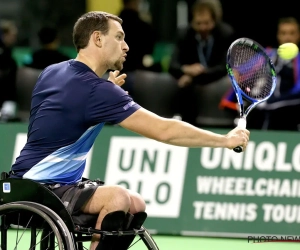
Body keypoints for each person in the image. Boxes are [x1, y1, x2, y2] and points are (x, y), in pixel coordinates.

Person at [9, 11, 249, 250]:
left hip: (21, 183)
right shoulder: (97, 92)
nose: (126, 46)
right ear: (98, 39)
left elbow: (64, 109)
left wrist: (105, 91)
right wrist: (224, 140)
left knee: (136, 204)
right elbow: (164, 129)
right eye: (119, 37)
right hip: (43, 188)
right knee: (118, 198)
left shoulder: (53, 71)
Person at [220, 17, 300, 131]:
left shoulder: (299, 59)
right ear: (278, 35)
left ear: (298, 36)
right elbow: (241, 71)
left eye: (292, 33)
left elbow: (298, 90)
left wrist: (272, 103)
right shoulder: (267, 54)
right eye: (283, 33)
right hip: (260, 105)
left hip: (287, 107)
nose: (287, 37)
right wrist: (236, 73)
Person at [168, 0, 236, 126]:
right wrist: (186, 69)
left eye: (206, 23)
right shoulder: (184, 34)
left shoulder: (225, 34)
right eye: (198, 23)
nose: (202, 28)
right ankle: (184, 127)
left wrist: (196, 74)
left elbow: (224, 67)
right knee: (185, 88)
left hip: (216, 78)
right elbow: (172, 66)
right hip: (190, 83)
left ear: (215, 21)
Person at [0, 20, 18, 121]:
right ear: (4, 35)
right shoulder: (6, 58)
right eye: (12, 35)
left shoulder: (9, 55)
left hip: (7, 100)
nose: (14, 38)